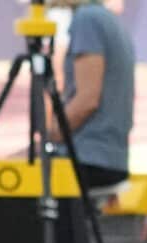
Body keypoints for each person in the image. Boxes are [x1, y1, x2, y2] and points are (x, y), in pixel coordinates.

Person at [47, 0, 135, 190]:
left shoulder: (88, 19)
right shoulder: (107, 20)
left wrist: (50, 135)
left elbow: (87, 100)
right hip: (107, 158)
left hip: (87, 159)